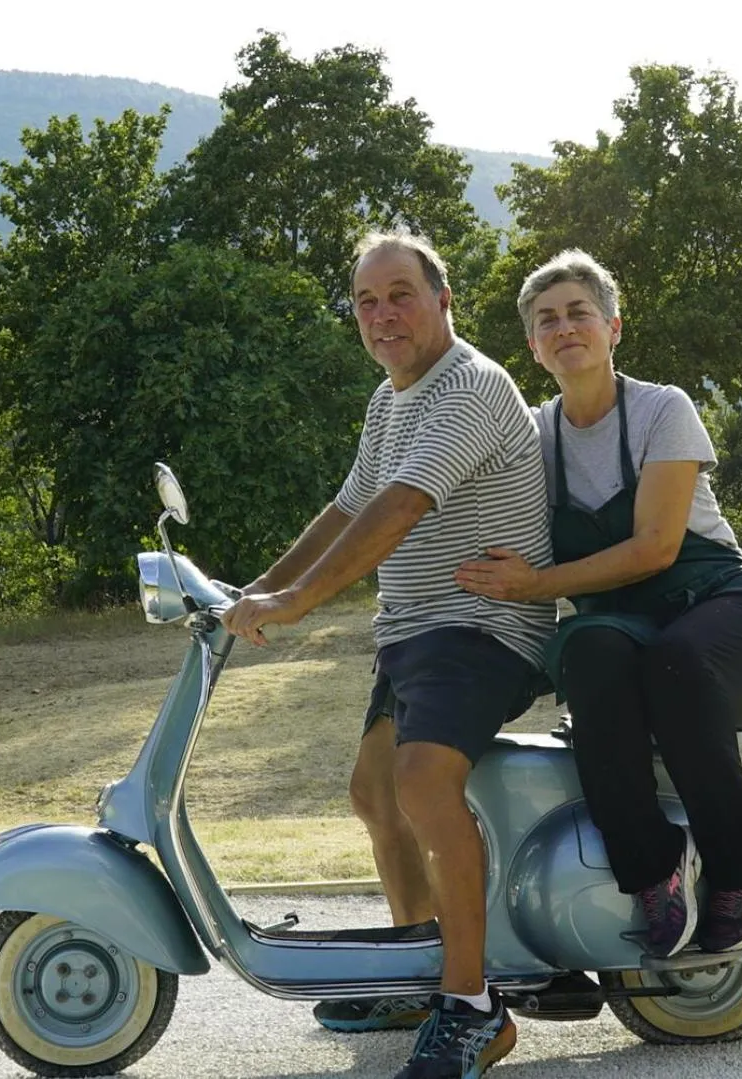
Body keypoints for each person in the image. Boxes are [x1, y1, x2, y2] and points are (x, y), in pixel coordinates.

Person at [223, 231, 552, 1079]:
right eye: (367, 302)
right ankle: (419, 968)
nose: (382, 315)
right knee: (373, 795)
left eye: (400, 294)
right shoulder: (390, 398)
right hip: (415, 630)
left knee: (419, 784)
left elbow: (402, 507)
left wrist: (295, 603)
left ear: (444, 301)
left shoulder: (470, 387)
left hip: (482, 626)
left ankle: (474, 1004)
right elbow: (347, 509)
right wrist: (251, 591)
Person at [454, 249, 742, 959]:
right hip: (622, 622)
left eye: (579, 312)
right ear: (534, 346)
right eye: (547, 320)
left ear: (613, 327)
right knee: (588, 652)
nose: (564, 327)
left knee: (675, 660)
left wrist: (538, 585)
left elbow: (657, 547)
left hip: (720, 603)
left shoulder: (664, 408)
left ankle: (741, 863)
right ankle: (651, 869)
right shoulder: (531, 438)